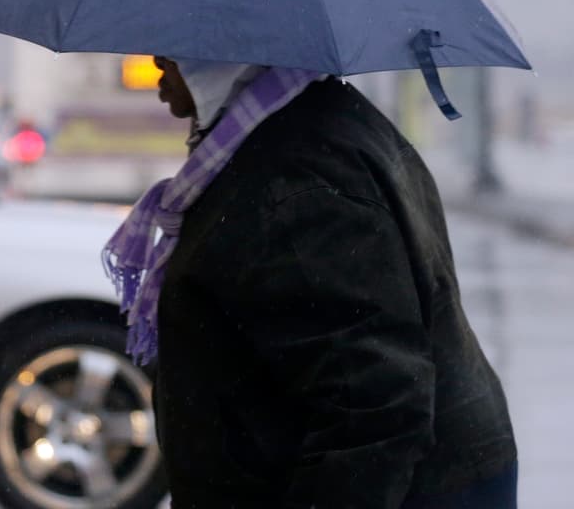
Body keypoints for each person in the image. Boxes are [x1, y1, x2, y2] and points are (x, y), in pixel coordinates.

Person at [103, 57, 517, 508]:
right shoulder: (290, 131)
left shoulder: (294, 175)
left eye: (173, 43)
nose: (155, 58)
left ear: (221, 56)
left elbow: (373, 404)